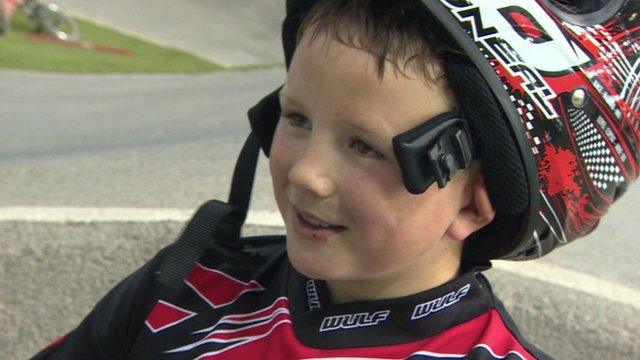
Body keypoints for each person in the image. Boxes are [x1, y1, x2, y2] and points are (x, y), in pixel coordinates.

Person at [32, 0, 639, 359]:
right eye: (297, 117)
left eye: (364, 147)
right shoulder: (187, 288)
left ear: (476, 204)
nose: (306, 174)